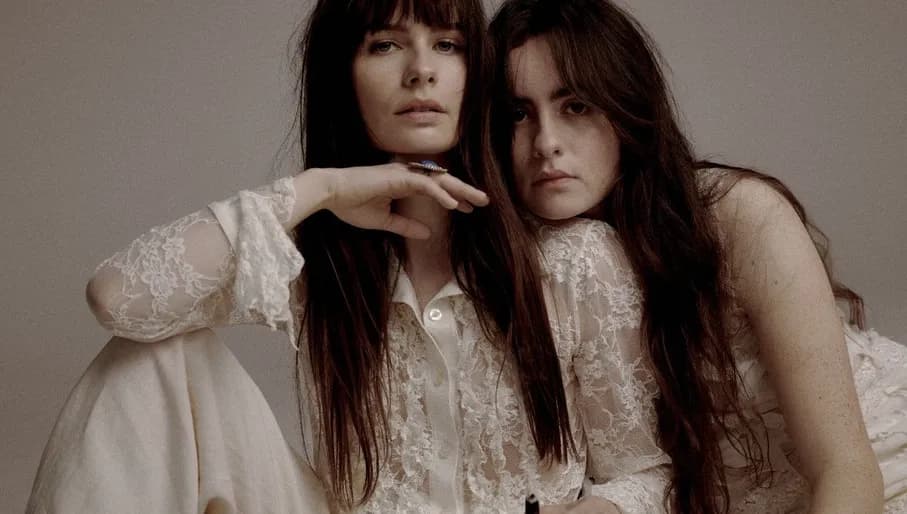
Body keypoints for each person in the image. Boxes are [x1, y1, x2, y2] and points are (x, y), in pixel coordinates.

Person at [28, 0, 672, 512]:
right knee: (151, 354)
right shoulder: (312, 259)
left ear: (477, 73)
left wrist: (599, 510)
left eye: (447, 45)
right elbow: (118, 300)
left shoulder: (571, 260)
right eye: (385, 45)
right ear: (345, 76)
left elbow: (647, 474)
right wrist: (321, 189)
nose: (420, 71)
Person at [489, 0, 907, 513]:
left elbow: (845, 467)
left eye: (575, 106)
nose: (546, 143)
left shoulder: (739, 216)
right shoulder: (540, 259)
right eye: (518, 114)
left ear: (624, 108)